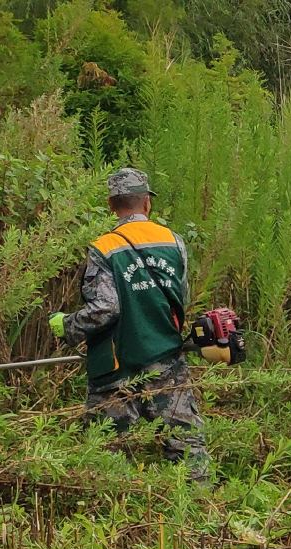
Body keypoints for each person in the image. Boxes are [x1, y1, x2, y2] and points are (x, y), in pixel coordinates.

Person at [49, 167, 209, 481]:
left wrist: (67, 325)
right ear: (147, 203)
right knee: (187, 445)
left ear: (111, 205)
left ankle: (108, 519)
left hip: (116, 365)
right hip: (166, 360)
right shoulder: (173, 242)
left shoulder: (104, 248)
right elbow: (182, 297)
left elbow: (106, 308)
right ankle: (199, 513)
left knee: (106, 453)